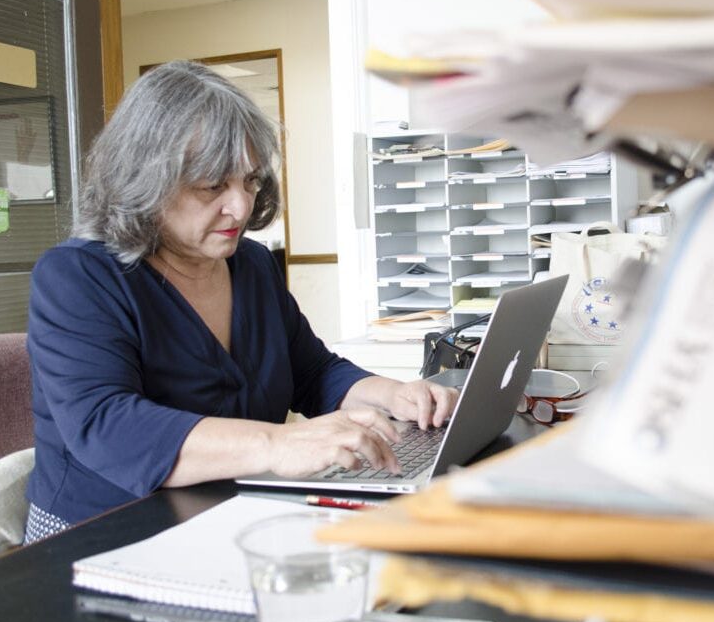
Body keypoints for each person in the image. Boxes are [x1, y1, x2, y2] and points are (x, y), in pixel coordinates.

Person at [23, 60, 456, 543]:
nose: (241, 207)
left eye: (249, 181)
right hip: (99, 532)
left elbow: (311, 372)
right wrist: (278, 443)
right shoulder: (78, 276)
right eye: (213, 185)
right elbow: (109, 427)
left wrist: (390, 394)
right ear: (145, 179)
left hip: (232, 515)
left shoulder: (249, 264)